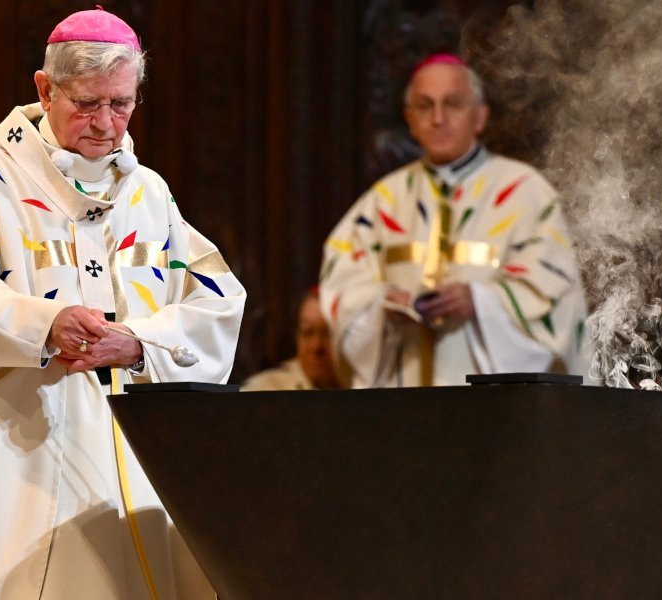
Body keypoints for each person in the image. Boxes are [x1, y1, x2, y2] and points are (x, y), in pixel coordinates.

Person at [0, 7, 244, 598]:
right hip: (16, 460)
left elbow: (218, 299)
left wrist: (140, 343)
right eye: (87, 103)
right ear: (44, 88)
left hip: (123, 460)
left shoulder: (147, 192)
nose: (107, 124)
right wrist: (45, 323)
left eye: (122, 103)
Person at [320, 53, 588, 388]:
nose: (438, 118)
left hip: (494, 407)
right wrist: (381, 304)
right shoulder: (383, 201)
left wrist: (479, 301)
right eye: (424, 105)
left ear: (480, 116)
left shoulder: (525, 192)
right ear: (409, 119)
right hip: (404, 399)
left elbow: (554, 293)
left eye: (453, 104)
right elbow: (343, 282)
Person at [241, 289, 341, 391]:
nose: (316, 347)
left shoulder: (356, 383)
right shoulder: (263, 389)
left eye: (327, 334)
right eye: (307, 332)